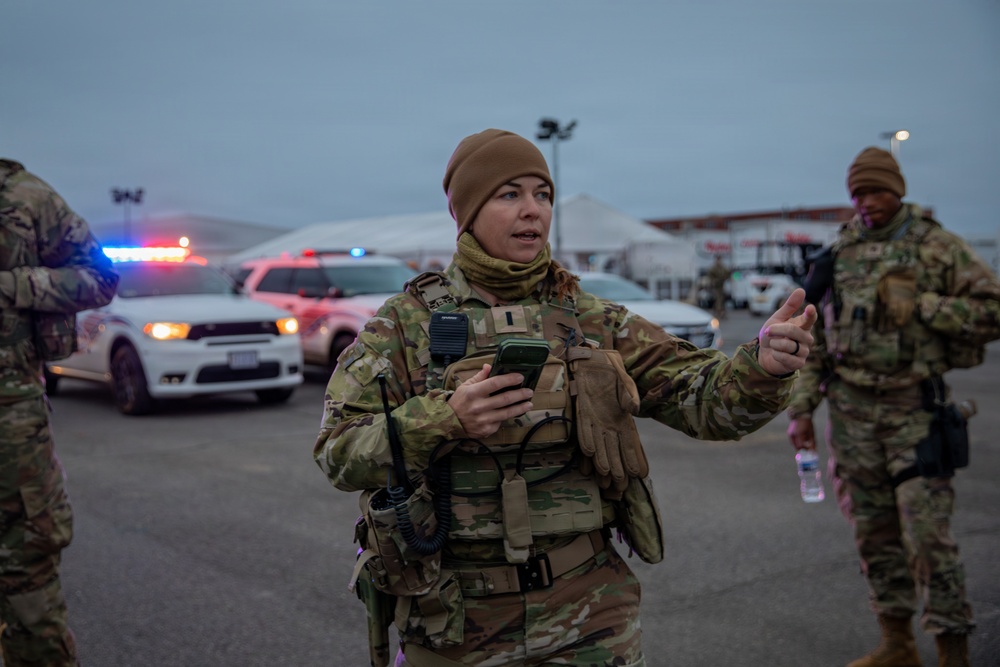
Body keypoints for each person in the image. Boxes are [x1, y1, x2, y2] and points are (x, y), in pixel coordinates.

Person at [314, 128, 817, 667]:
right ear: (467, 210)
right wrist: (444, 419)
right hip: (454, 622)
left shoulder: (592, 318)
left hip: (589, 614)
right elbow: (338, 452)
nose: (533, 211)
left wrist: (762, 367)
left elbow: (708, 403)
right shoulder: (405, 324)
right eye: (510, 194)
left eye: (543, 194)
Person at [786, 147, 1000, 667]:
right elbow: (819, 338)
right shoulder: (843, 250)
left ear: (897, 190)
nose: (866, 203)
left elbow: (992, 310)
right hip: (851, 416)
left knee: (929, 537)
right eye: (857, 193)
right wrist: (800, 411)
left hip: (913, 413)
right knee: (874, 535)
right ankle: (898, 643)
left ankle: (954, 650)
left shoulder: (935, 246)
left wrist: (923, 306)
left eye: (876, 191)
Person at [0, 159, 119, 666]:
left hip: (9, 427)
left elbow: (100, 277)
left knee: (27, 586)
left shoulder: (23, 197)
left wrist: (13, 284)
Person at [707, 254, 730, 319]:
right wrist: (714, 281)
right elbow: (710, 276)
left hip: (721, 285)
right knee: (718, 299)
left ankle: (720, 312)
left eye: (719, 260)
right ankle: (719, 312)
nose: (718, 261)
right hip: (715, 286)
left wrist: (726, 277)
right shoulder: (713, 268)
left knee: (721, 299)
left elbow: (727, 274)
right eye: (717, 260)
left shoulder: (723, 268)